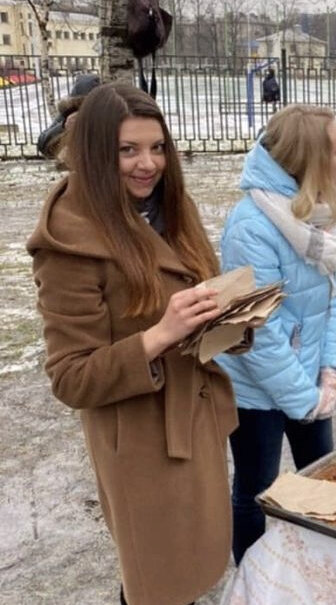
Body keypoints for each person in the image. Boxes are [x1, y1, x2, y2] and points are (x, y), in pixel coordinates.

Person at [26, 82, 241, 605]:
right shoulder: (70, 241)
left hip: (196, 420)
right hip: (142, 443)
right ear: (98, 153)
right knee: (159, 583)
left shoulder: (171, 208)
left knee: (192, 571)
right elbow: (70, 376)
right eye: (128, 150)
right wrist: (161, 334)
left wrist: (234, 315)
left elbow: (198, 296)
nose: (148, 164)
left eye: (157, 147)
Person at [216, 104, 336, 563]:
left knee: (321, 479)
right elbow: (257, 332)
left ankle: (315, 568)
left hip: (309, 375)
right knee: (256, 489)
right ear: (310, 159)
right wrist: (303, 399)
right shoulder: (252, 226)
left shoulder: (316, 211)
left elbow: (333, 294)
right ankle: (253, 580)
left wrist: (331, 369)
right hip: (257, 390)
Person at [36, 73, 100, 158]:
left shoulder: (106, 115)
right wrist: (63, 126)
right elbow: (42, 144)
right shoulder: (69, 113)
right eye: (80, 103)